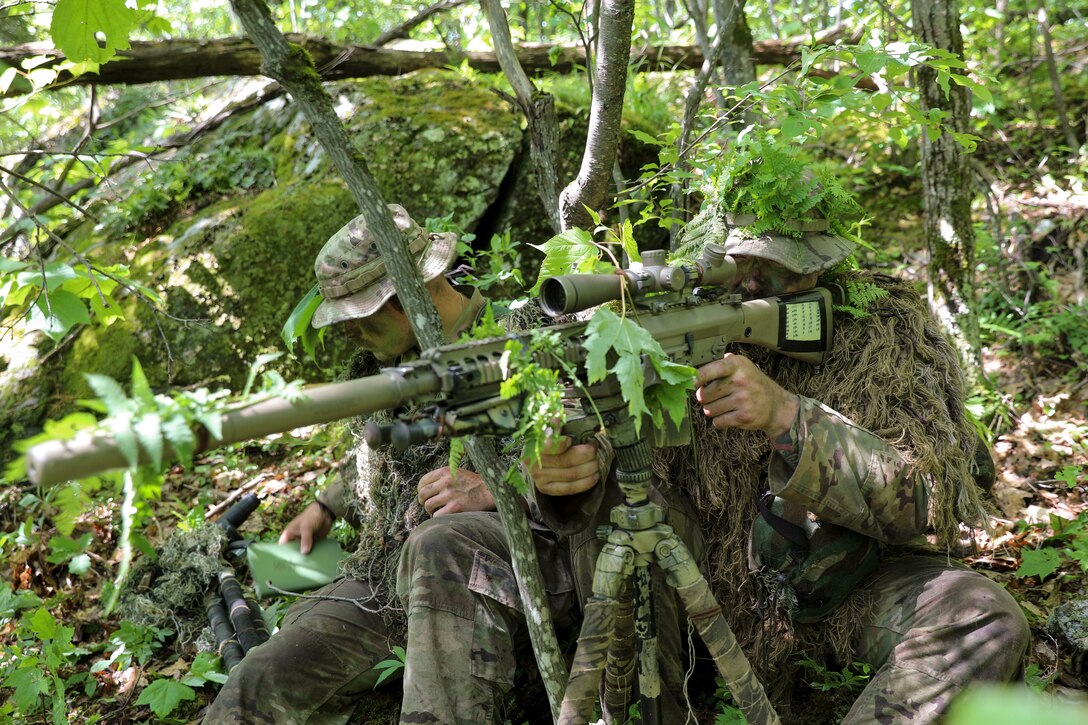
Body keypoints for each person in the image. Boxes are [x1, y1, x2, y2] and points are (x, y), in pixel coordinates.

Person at [528, 162, 1031, 723]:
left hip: (840, 591)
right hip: (686, 591)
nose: (751, 286)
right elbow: (583, 448)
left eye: (781, 272)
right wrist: (562, 469)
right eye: (738, 266)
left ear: (827, 264)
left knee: (982, 615)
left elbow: (923, 497)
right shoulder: (636, 318)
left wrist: (787, 417)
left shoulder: (884, 327)